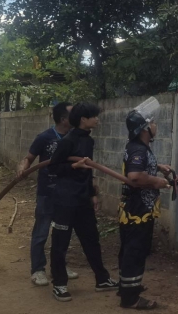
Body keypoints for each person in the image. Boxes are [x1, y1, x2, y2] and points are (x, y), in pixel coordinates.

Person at [47, 102, 118, 302]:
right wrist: (73, 167)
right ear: (83, 119)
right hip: (65, 200)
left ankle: (102, 279)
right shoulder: (67, 141)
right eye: (94, 116)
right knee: (60, 243)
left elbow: (88, 170)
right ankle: (59, 284)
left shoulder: (89, 141)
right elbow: (53, 168)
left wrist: (92, 193)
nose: (97, 119)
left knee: (91, 240)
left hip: (82, 200)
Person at [16, 102, 79, 287]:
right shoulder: (44, 137)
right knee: (41, 232)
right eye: (72, 113)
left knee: (63, 233)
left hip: (67, 194)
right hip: (47, 193)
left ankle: (59, 267)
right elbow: (29, 158)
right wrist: (22, 168)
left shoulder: (76, 137)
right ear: (63, 119)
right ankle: (38, 269)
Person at [116, 97, 171, 310]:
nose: (155, 125)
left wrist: (158, 167)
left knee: (130, 250)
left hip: (135, 208)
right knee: (135, 251)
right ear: (145, 128)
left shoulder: (139, 147)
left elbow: (140, 168)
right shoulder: (139, 150)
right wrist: (157, 181)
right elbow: (136, 176)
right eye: (153, 122)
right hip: (138, 210)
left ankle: (126, 287)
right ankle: (130, 299)